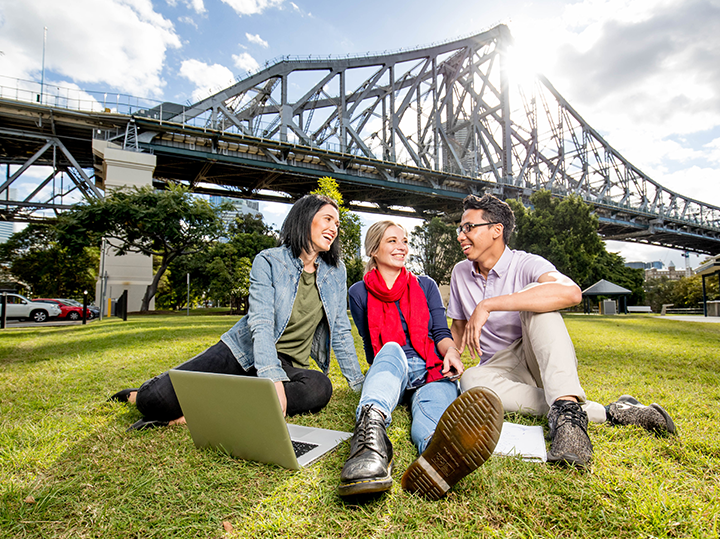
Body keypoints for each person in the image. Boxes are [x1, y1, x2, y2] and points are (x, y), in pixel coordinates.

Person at [448, 194, 676, 467]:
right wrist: (453, 354)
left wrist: (489, 305)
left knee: (537, 295)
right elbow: (459, 326)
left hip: (538, 355)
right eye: (460, 228)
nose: (460, 236)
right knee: (471, 381)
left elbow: (570, 292)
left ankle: (570, 429)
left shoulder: (527, 263)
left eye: (468, 227)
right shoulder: (460, 272)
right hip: (501, 367)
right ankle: (606, 412)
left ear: (497, 230)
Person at [109, 194, 365, 429]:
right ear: (305, 218)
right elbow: (262, 323)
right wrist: (271, 379)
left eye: (337, 224)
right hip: (241, 351)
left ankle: (205, 412)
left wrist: (358, 385)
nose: (334, 228)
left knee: (319, 387)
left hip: (287, 363)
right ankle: (138, 393)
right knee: (155, 400)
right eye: (328, 219)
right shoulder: (269, 260)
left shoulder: (335, 272)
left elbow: (341, 330)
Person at [338, 220, 503, 500]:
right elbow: (370, 345)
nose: (401, 247)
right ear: (373, 250)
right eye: (392, 241)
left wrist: (451, 352)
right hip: (392, 367)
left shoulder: (425, 285)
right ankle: (370, 439)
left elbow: (440, 332)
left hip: (429, 366)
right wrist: (384, 373)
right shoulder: (358, 292)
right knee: (390, 349)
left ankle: (435, 457)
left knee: (433, 416)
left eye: (404, 241)